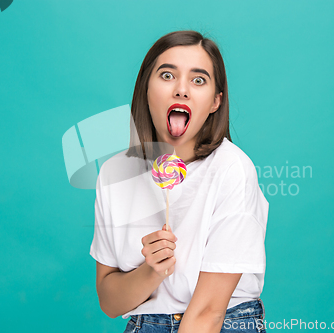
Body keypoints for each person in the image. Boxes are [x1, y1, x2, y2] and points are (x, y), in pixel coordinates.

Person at [90, 30, 269, 333]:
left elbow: (209, 313)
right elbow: (110, 303)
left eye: (198, 80)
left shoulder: (232, 168)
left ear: (215, 102)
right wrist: (152, 271)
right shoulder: (114, 173)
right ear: (146, 87)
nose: (182, 90)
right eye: (167, 75)